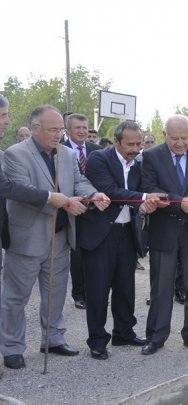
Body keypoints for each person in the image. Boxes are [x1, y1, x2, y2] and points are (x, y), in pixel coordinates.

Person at [0, 105, 110, 370]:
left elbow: (79, 182)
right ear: (35, 129)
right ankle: (12, 348)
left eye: (61, 129)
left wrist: (92, 194)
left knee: (55, 293)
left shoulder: (68, 154)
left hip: (60, 236)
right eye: (53, 129)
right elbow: (23, 192)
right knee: (16, 297)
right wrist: (62, 202)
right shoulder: (15, 155)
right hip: (27, 238)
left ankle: (53, 338)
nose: (59, 135)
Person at [79, 121, 166, 360]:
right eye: (130, 144)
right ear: (117, 141)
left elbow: (143, 193)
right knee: (98, 291)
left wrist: (147, 202)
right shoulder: (99, 160)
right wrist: (145, 197)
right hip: (100, 234)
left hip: (127, 233)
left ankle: (123, 332)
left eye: (138, 144)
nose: (135, 148)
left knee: (125, 288)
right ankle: (97, 341)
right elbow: (111, 191)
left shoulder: (139, 164)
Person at [140, 115, 188, 355]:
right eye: (174, 139)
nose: (180, 143)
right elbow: (150, 189)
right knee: (161, 288)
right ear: (165, 135)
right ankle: (156, 337)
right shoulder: (152, 156)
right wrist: (178, 203)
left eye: (184, 138)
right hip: (165, 230)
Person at [61, 113, 102, 310]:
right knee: (76, 253)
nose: (82, 131)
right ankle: (79, 294)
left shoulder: (97, 150)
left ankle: (95, 290)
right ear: (67, 129)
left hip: (95, 207)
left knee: (94, 251)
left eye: (85, 128)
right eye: (78, 128)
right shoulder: (59, 149)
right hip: (69, 206)